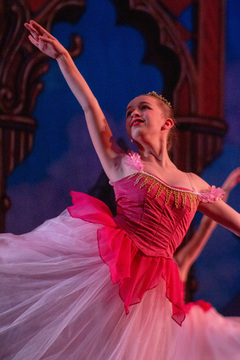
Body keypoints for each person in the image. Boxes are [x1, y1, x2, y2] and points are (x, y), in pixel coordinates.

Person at [0, 20, 240, 360]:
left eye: (143, 108)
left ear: (167, 123)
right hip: (109, 274)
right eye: (129, 112)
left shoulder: (194, 184)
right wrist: (63, 58)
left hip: (153, 292)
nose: (134, 114)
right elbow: (90, 106)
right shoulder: (122, 163)